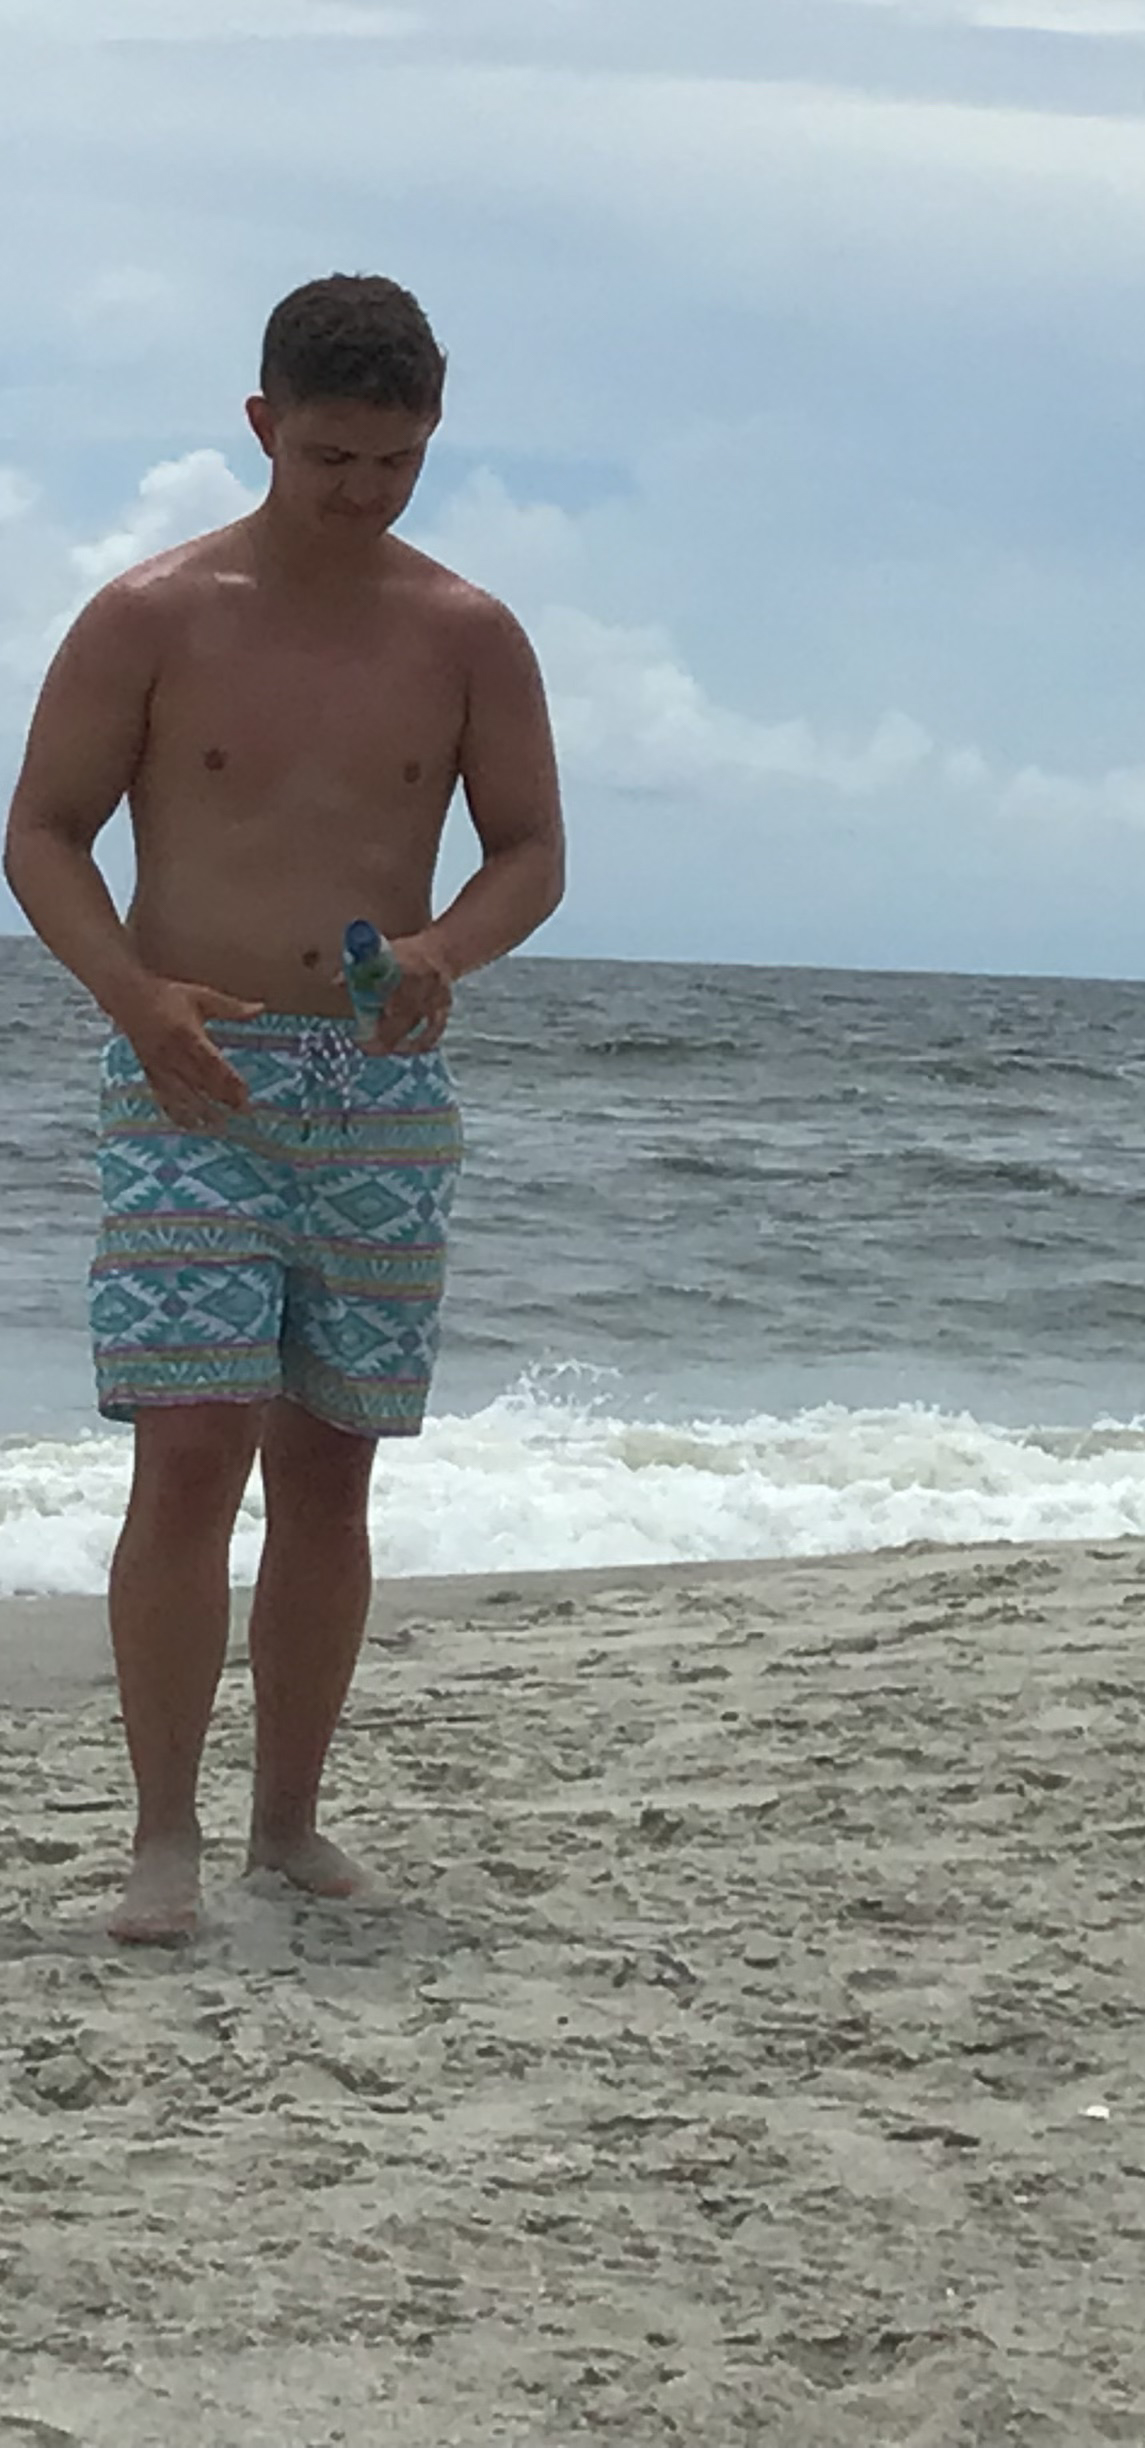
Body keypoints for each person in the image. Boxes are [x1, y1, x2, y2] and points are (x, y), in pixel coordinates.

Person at [2, 274, 565, 1943]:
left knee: (332, 1471)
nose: (364, 490)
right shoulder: (154, 615)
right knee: (188, 1456)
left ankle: (287, 1829)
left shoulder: (467, 633)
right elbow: (42, 829)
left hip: (380, 1090)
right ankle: (161, 1837)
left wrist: (451, 949)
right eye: (332, 455)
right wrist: (135, 998)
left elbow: (529, 847)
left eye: (395, 460)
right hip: (192, 1071)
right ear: (261, 427)